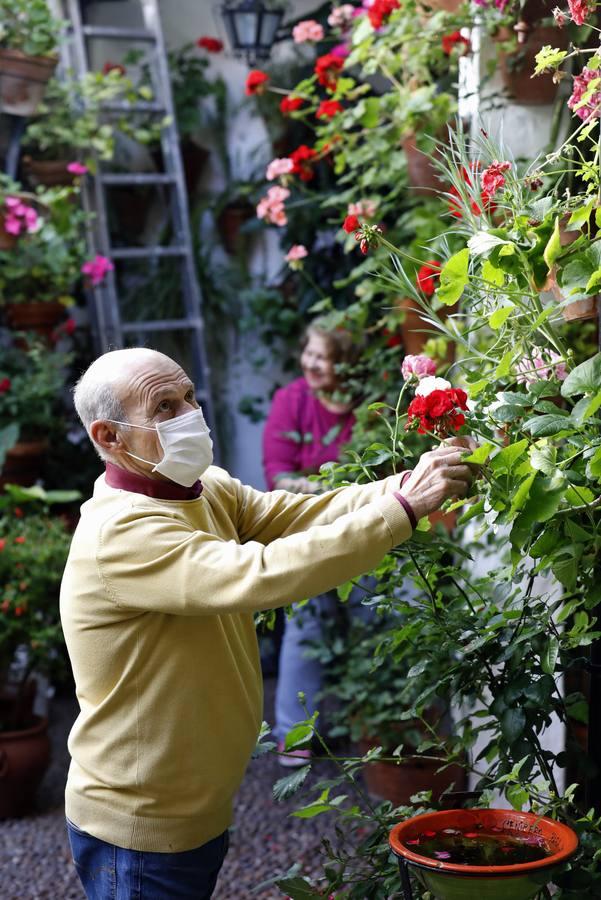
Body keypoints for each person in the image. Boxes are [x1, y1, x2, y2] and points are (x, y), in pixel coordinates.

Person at [60, 346, 475, 899]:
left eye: (189, 396)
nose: (189, 414)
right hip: (139, 825)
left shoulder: (202, 488)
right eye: (164, 407)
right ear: (109, 437)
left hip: (193, 806)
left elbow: (301, 514)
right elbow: (262, 572)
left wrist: (409, 483)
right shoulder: (122, 535)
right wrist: (402, 509)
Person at [263, 321, 381, 765]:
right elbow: (279, 476)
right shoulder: (290, 401)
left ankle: (377, 724)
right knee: (308, 627)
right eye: (308, 353)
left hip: (366, 531)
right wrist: (333, 493)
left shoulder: (371, 405)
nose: (311, 363)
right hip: (308, 533)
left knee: (375, 622)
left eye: (323, 356)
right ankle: (294, 736)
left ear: (346, 362)